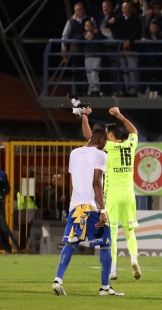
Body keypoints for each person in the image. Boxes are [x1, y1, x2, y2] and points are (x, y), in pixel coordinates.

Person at [52, 127, 123, 297]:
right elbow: (96, 182)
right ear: (101, 140)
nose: (105, 144)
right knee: (105, 245)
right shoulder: (100, 155)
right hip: (91, 207)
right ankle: (105, 288)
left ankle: (58, 280)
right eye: (105, 141)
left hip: (75, 207)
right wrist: (103, 210)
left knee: (71, 243)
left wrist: (84, 115)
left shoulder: (74, 153)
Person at [88, 107, 142, 281]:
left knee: (111, 233)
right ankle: (134, 259)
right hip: (129, 194)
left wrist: (84, 117)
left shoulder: (109, 147)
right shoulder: (130, 145)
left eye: (106, 134)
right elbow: (134, 131)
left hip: (113, 194)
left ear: (110, 135)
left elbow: (90, 138)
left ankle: (113, 269)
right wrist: (119, 116)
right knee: (130, 231)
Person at [80, 20, 105, 97]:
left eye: (90, 26)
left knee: (94, 73)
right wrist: (85, 36)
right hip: (88, 57)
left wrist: (94, 36)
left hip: (97, 57)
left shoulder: (98, 33)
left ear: (93, 26)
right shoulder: (83, 35)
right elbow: (77, 38)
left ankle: (96, 90)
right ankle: (91, 90)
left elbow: (102, 38)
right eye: (87, 26)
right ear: (85, 27)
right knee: (89, 74)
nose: (88, 27)